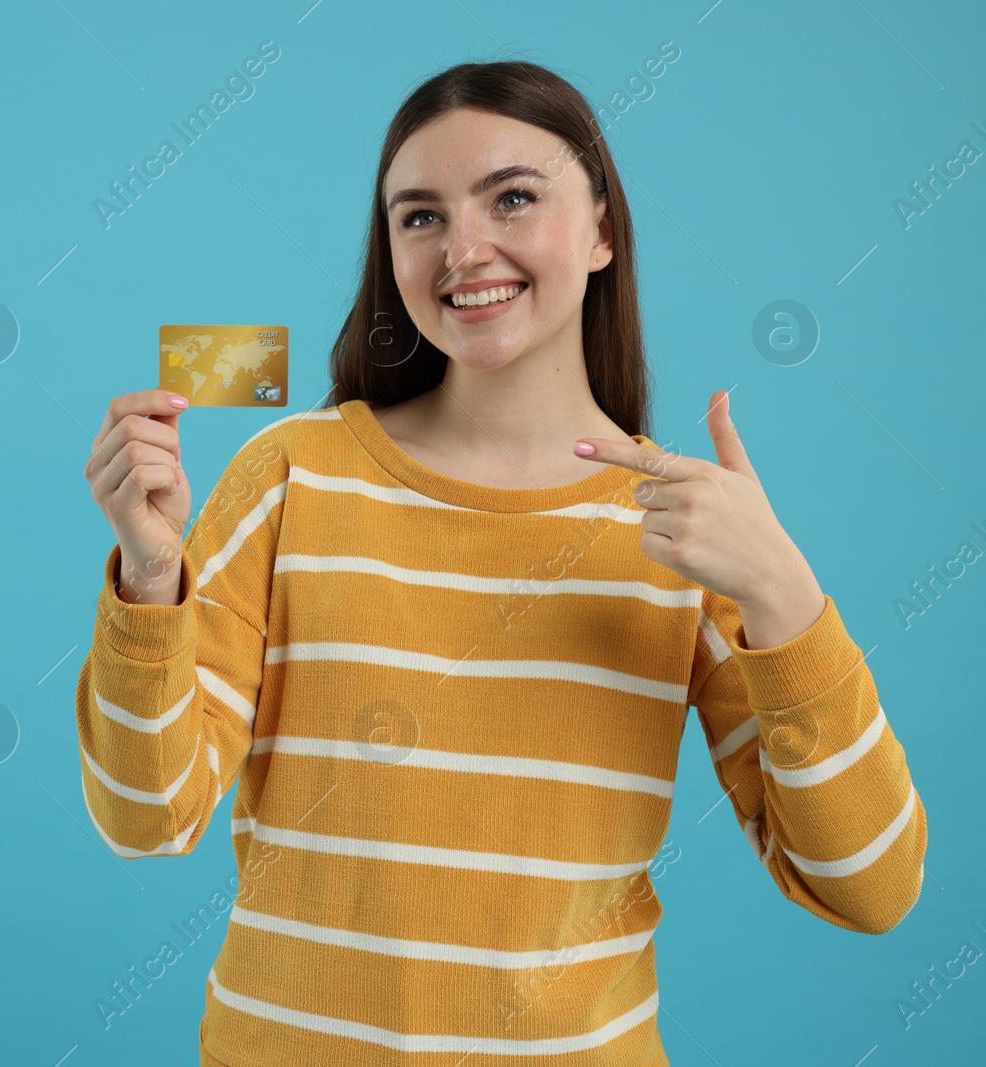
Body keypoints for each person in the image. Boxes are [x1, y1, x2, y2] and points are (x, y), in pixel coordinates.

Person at [76, 59, 924, 1066]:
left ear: (603, 229)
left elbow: (868, 888)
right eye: (418, 216)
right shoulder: (288, 475)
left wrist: (786, 595)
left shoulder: (685, 528)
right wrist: (148, 577)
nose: (461, 250)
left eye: (512, 197)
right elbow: (145, 820)